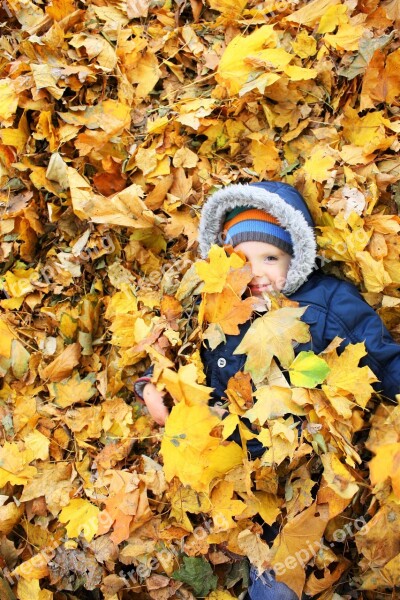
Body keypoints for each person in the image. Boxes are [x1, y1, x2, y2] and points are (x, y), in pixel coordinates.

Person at [134, 180, 400, 599]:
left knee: (297, 560)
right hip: (247, 466)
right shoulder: (216, 314)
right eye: (241, 259)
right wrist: (157, 395)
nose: (255, 272)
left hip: (314, 466)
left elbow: (383, 362)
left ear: (295, 258)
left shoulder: (328, 303)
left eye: (270, 257)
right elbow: (185, 369)